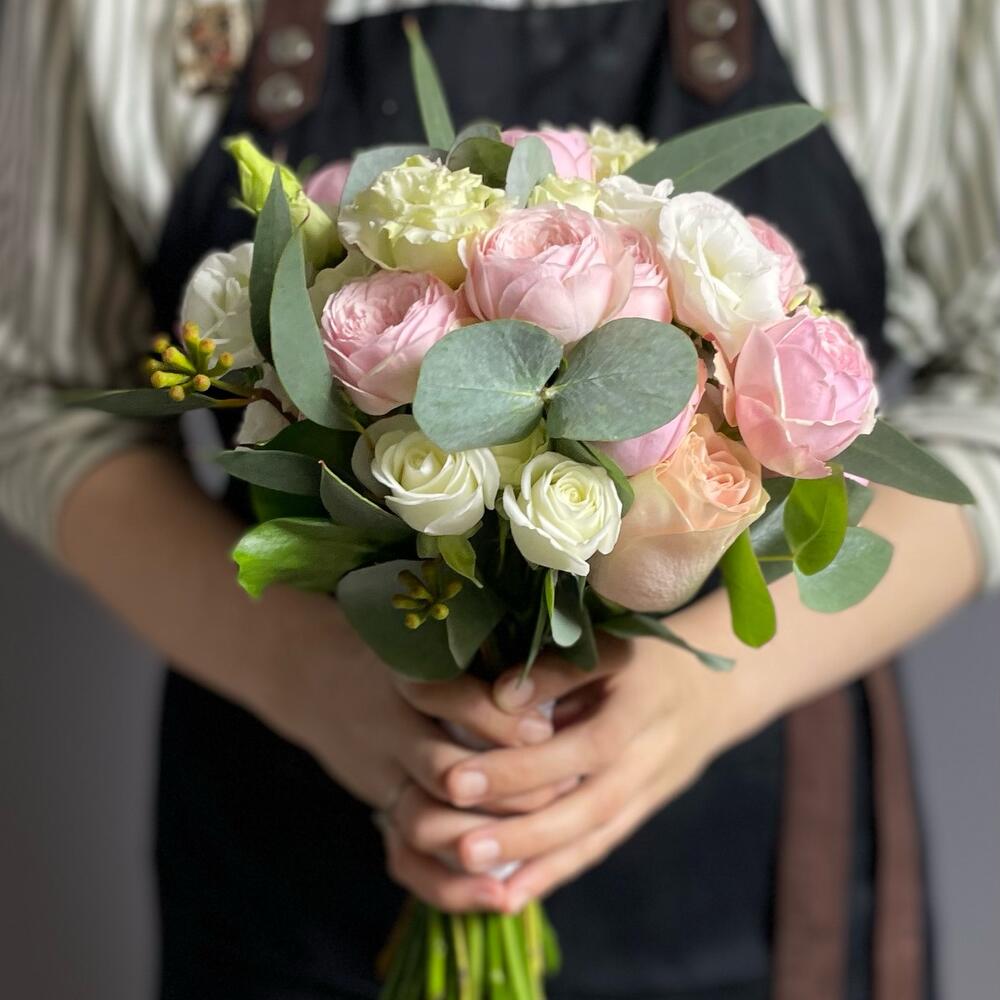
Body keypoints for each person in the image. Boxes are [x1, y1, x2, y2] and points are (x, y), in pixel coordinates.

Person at [2, 1, 997, 997]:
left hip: (758, 885)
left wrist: (715, 689)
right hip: (285, 867)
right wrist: (300, 669)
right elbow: (39, 398)